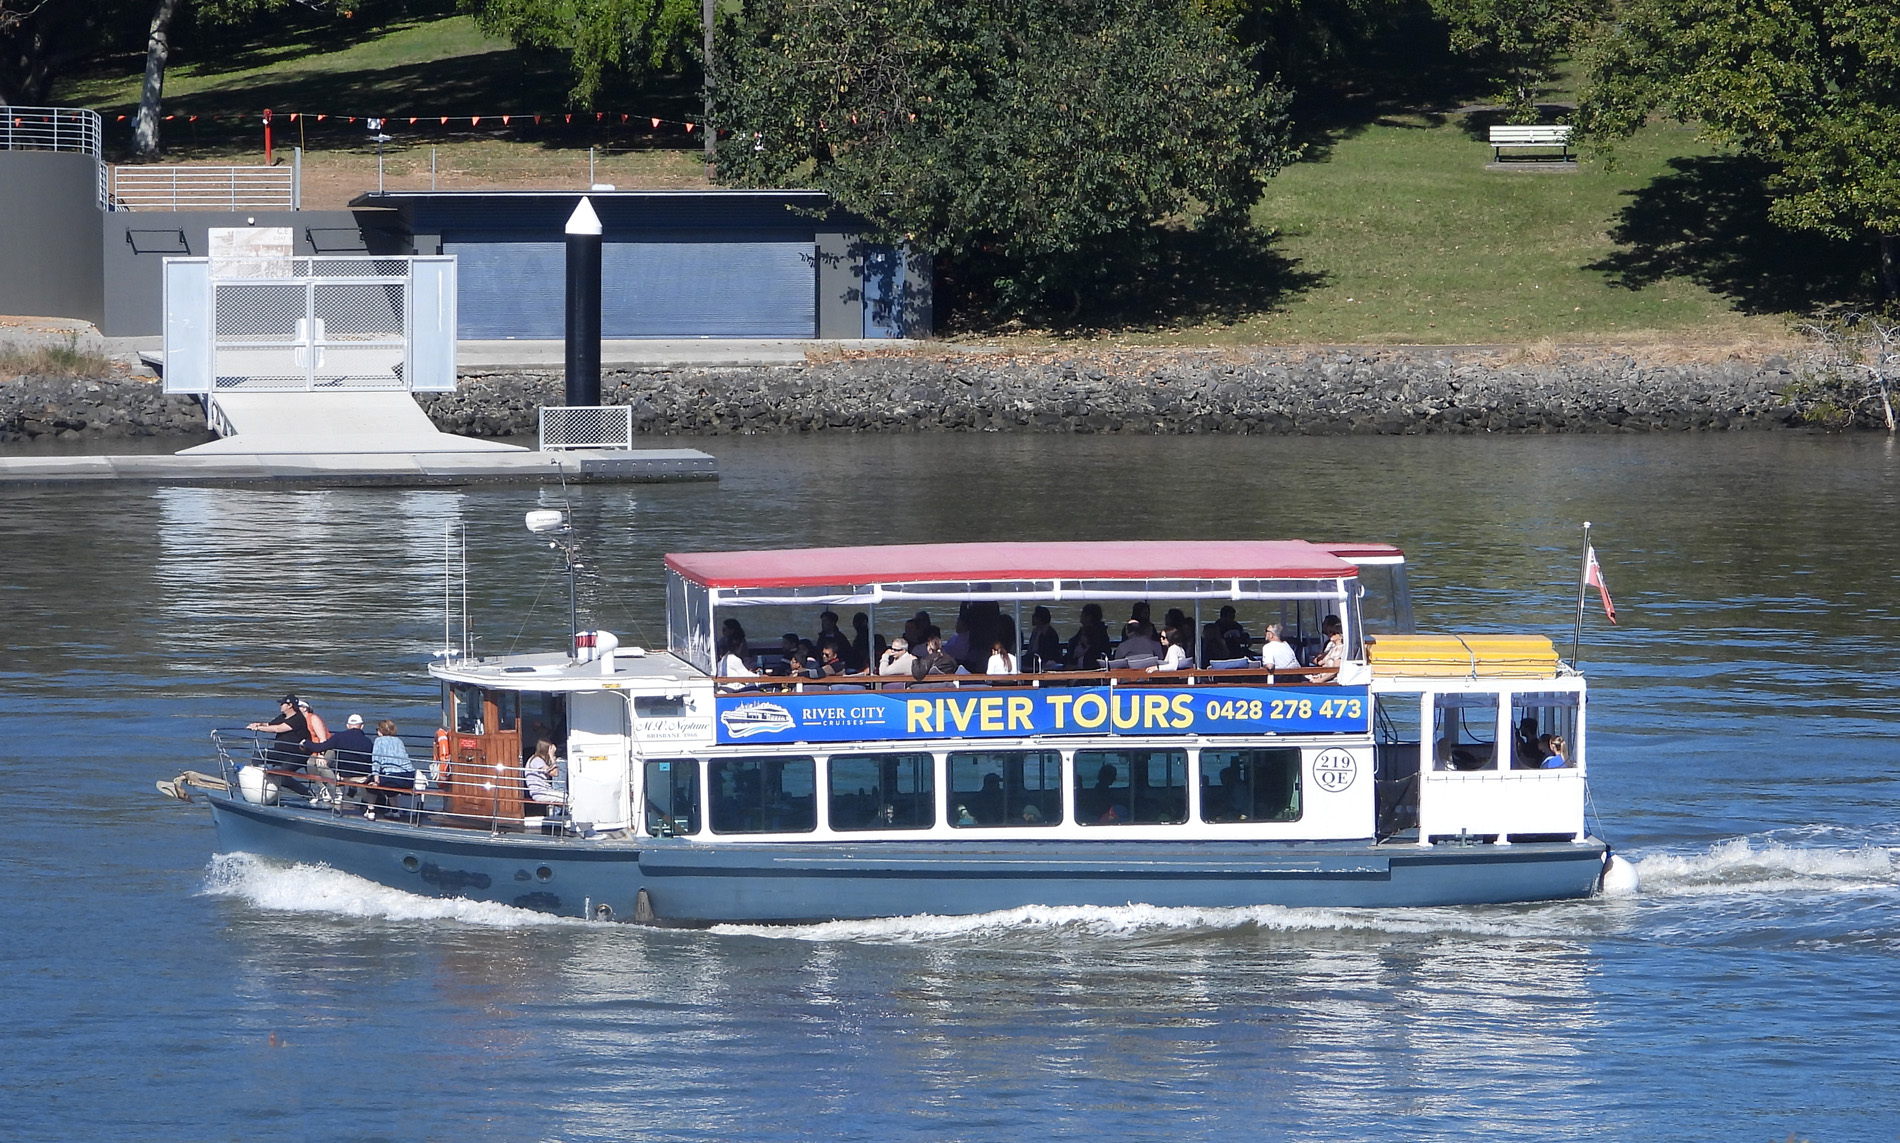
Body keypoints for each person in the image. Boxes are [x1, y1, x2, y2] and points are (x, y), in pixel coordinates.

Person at [247, 694, 314, 792]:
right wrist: (258, 724)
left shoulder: (298, 718)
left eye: (282, 704)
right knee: (258, 756)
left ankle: (308, 793)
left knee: (283, 777)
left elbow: (279, 728)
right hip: (280, 752)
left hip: (295, 755)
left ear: (290, 705)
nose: (280, 706)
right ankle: (258, 786)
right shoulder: (283, 717)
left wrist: (258, 728)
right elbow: (270, 724)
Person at [368, 719, 417, 809]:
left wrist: (376, 780)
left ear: (380, 731)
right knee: (389, 784)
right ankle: (395, 811)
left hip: (392, 777)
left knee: (370, 783)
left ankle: (370, 809)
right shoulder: (399, 741)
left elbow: (376, 761)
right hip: (408, 777)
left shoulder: (379, 741)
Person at [319, 713, 376, 782]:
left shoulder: (338, 737)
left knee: (331, 756)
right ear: (362, 726)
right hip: (363, 775)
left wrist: (307, 743)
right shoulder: (367, 741)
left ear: (348, 726)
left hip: (344, 775)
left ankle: (332, 784)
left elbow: (320, 747)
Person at [524, 739, 566, 812]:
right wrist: (552, 757)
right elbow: (555, 773)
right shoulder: (537, 760)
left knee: (564, 798)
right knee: (567, 798)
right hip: (541, 793)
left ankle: (561, 816)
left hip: (543, 792)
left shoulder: (534, 759)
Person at [1025, 606, 1062, 672]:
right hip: (1032, 658)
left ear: (1040, 618)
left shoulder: (1051, 634)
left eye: (1035, 616)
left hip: (1044, 661)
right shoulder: (1035, 630)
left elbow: (1049, 653)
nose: (1033, 617)